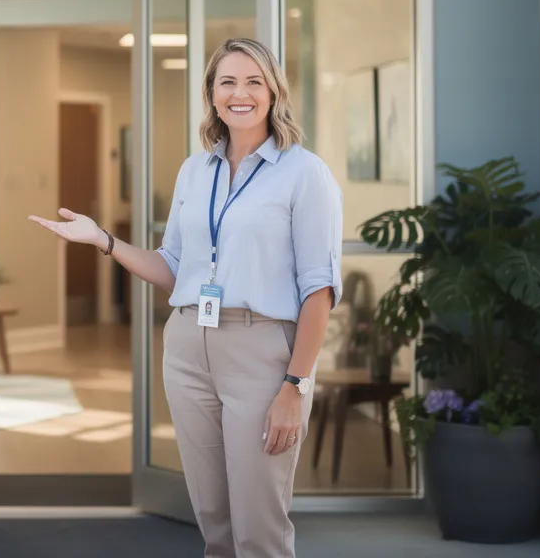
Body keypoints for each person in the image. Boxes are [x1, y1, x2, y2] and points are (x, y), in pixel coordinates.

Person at [29, 37, 342, 558]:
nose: (240, 94)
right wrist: (103, 240)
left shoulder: (304, 173)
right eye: (227, 82)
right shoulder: (196, 171)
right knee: (214, 524)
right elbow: (173, 268)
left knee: (258, 528)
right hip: (187, 348)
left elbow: (320, 290)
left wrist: (295, 385)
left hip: (262, 353)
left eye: (253, 82)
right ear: (212, 94)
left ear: (273, 92)